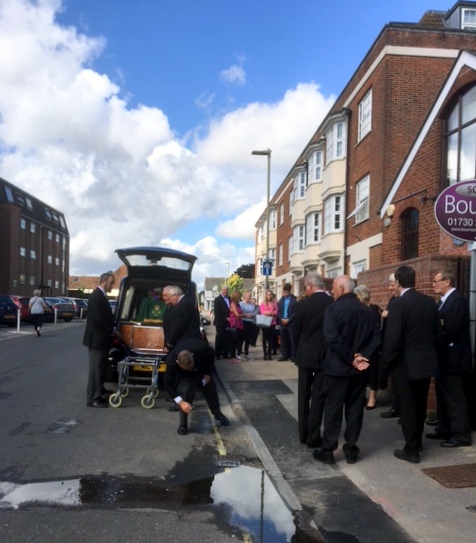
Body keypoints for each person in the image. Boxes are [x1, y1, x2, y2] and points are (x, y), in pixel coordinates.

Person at [313, 275, 381, 465]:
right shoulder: (367, 311)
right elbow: (376, 338)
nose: (332, 290)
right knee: (354, 410)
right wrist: (361, 356)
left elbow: (332, 339)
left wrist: (352, 358)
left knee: (333, 409)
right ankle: (351, 448)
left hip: (337, 369)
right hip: (358, 371)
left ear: (341, 289)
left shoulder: (333, 309)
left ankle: (328, 450)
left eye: (334, 287)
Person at [383, 265, 440, 464]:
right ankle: (417, 442)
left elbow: (393, 339)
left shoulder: (398, 305)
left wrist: (386, 363)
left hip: (405, 364)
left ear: (397, 282)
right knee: (420, 404)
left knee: (407, 407)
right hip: (426, 361)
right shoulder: (429, 302)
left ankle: (411, 449)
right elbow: (436, 333)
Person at [429, 269, 472, 447]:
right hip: (444, 359)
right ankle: (445, 429)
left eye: (436, 281)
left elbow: (450, 330)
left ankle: (461, 435)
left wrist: (435, 336)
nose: (434, 284)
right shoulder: (443, 302)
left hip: (453, 359)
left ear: (447, 281)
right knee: (443, 396)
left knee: (455, 398)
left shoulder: (456, 300)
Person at [293, 272, 334, 448]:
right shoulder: (332, 304)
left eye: (305, 287)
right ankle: (314, 436)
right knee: (319, 397)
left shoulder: (302, 305)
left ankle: (303, 433)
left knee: (304, 396)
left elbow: (295, 332)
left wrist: (296, 351)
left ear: (309, 286)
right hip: (324, 356)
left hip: (305, 355)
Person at [164, 338, 230, 435]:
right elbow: (167, 383)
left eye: (191, 366)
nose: (190, 368)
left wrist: (208, 373)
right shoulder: (171, 362)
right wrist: (180, 402)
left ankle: (217, 413)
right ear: (178, 363)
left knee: (210, 387)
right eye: (188, 368)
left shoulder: (204, 350)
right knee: (186, 391)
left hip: (201, 368)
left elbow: (211, 356)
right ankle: (183, 425)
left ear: (192, 355)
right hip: (184, 376)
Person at [82, 272, 116, 408]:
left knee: (101, 367)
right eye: (111, 283)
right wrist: (111, 330)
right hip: (97, 339)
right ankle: (93, 398)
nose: (112, 285)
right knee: (96, 369)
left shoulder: (101, 296)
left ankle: (99, 390)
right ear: (103, 281)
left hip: (101, 339)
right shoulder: (96, 296)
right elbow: (97, 320)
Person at [354, 284, 382, 410]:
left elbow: (375, 332)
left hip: (372, 348)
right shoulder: (358, 310)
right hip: (360, 347)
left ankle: (372, 398)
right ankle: (362, 397)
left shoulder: (373, 309)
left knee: (373, 373)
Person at [380, 273, 401, 419]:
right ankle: (396, 407)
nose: (390, 288)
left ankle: (402, 411)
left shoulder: (404, 301)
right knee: (394, 381)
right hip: (391, 348)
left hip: (401, 349)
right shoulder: (392, 300)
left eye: (392, 285)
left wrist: (390, 314)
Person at [163, 285, 201, 352]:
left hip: (186, 342)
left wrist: (169, 344)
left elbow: (178, 325)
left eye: (170, 298)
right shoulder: (184, 303)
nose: (170, 301)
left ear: (175, 296)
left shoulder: (184, 304)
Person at [277, 283, 297, 361]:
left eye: (286, 292)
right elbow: (279, 311)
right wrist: (281, 318)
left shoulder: (294, 300)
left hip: (290, 322)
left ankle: (293, 356)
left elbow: (295, 312)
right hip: (283, 322)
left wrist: (289, 319)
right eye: (284, 292)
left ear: (290, 291)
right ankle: (285, 355)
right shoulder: (282, 300)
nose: (285, 294)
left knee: (292, 340)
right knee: (283, 340)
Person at [259, 290, 278, 360]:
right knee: (264, 339)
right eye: (268, 295)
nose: (269, 296)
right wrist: (270, 313)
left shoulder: (274, 303)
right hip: (265, 322)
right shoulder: (263, 303)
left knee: (271, 339)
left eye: (270, 294)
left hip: (272, 323)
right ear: (266, 295)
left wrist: (270, 313)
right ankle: (265, 354)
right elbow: (262, 312)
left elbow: (276, 311)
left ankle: (269, 354)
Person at [213, 285, 230, 359]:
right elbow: (217, 312)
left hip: (228, 322)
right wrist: (225, 318)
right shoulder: (217, 299)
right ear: (221, 291)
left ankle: (225, 354)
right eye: (224, 290)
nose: (225, 292)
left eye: (226, 290)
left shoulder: (229, 298)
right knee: (220, 338)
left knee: (227, 338)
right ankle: (218, 354)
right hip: (220, 322)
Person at [227, 290, 244, 362]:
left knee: (239, 340)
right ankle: (233, 355)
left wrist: (241, 315)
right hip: (234, 324)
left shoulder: (238, 304)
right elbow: (237, 314)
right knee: (234, 340)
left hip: (239, 323)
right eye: (239, 296)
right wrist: (246, 315)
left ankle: (238, 355)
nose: (240, 298)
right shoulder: (233, 304)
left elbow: (240, 314)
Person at [240, 290, 257, 360]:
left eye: (250, 296)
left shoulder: (252, 304)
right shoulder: (241, 304)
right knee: (241, 339)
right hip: (243, 322)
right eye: (247, 296)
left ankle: (247, 354)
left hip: (250, 322)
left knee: (248, 339)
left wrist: (253, 315)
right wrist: (247, 315)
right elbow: (240, 314)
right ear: (244, 296)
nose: (249, 297)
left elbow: (254, 312)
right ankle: (239, 354)